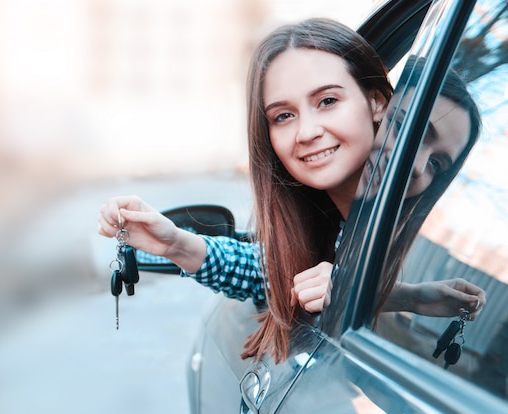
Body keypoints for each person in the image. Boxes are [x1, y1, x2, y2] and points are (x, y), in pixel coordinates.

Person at [98, 18, 484, 362]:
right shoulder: (342, 218)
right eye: (283, 115)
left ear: (376, 103)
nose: (307, 131)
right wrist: (176, 245)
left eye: (437, 162)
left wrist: (391, 294)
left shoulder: (414, 227)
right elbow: (282, 272)